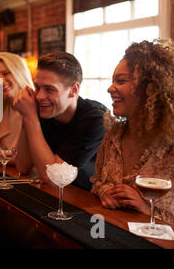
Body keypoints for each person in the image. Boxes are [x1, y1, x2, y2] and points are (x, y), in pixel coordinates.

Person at [91, 40, 173, 223]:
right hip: (108, 233)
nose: (110, 88)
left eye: (121, 81)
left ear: (151, 87)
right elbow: (97, 182)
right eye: (113, 81)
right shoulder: (113, 135)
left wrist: (146, 209)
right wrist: (105, 192)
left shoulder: (170, 146)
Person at [13, 52, 107, 191]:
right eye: (37, 87)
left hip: (88, 200)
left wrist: (30, 118)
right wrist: (26, 116)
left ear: (73, 90)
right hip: (57, 196)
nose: (39, 96)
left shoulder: (95, 118)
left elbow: (53, 178)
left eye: (49, 89)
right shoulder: (43, 109)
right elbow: (23, 166)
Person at [0, 52, 34, 164]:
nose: (0, 81)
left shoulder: (32, 106)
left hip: (29, 177)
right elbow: (0, 146)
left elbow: (28, 158)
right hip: (10, 174)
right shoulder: (5, 106)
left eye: (6, 73)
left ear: (19, 73)